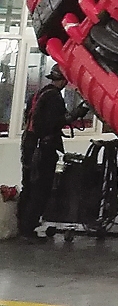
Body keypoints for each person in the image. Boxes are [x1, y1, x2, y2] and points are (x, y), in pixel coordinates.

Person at [18, 66, 70, 237]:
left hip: (29, 143)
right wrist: (75, 114)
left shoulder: (38, 94)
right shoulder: (54, 97)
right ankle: (29, 227)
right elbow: (54, 122)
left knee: (28, 185)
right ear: (64, 80)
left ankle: (22, 224)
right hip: (43, 147)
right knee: (41, 188)